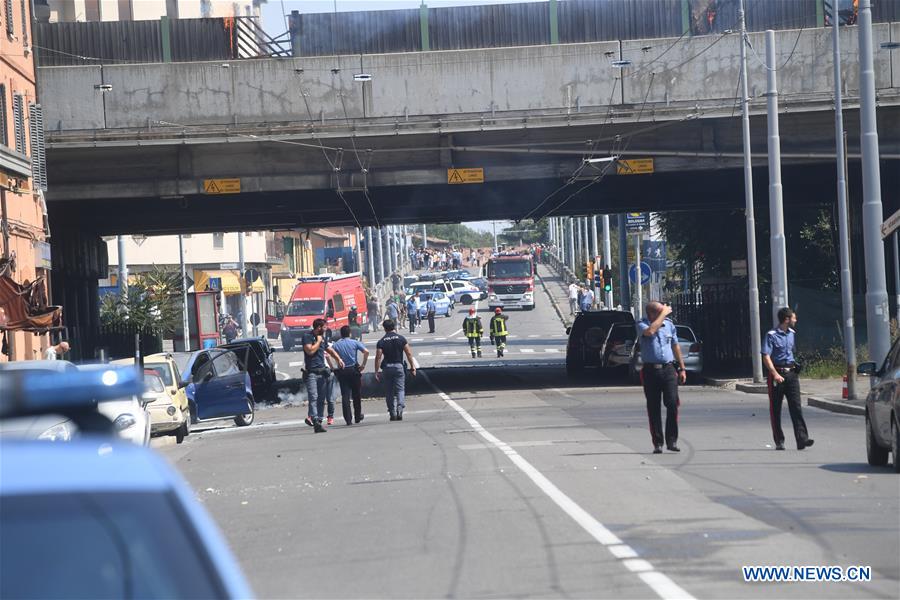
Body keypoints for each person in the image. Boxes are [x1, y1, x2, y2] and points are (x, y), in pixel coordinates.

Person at [638, 302, 686, 454]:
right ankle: (658, 442)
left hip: (669, 369)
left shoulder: (669, 325)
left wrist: (682, 368)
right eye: (660, 312)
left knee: (672, 403)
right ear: (652, 314)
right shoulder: (641, 324)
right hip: (650, 371)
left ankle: (672, 440)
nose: (664, 314)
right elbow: (651, 332)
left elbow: (675, 346)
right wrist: (663, 313)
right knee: (653, 407)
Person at [762, 307, 813, 451]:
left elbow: (790, 352)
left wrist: (795, 366)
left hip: (791, 374)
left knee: (796, 407)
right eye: (794, 318)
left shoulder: (792, 334)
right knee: (775, 409)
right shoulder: (771, 335)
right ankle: (779, 440)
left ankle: (802, 439)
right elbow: (766, 356)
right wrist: (775, 374)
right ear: (786, 320)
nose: (795, 320)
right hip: (777, 374)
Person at [301, 319, 345, 433]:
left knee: (321, 398)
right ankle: (314, 419)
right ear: (319, 327)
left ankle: (319, 421)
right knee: (313, 397)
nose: (326, 329)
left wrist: (338, 359)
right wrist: (318, 341)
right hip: (311, 372)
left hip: (322, 372)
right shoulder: (307, 336)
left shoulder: (322, 338)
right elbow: (310, 351)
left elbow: (329, 350)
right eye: (325, 327)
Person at [374, 319, 416, 420]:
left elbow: (378, 357)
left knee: (389, 391)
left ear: (384, 328)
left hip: (387, 368)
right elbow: (408, 353)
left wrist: (376, 371)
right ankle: (400, 407)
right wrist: (412, 367)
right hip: (398, 366)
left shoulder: (381, 341)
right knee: (400, 389)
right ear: (394, 327)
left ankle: (392, 412)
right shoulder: (401, 339)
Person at [331, 325, 369, 425]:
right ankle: (357, 416)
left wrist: (333, 367)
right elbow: (366, 352)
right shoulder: (354, 342)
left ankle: (348, 419)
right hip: (353, 370)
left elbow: (327, 355)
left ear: (341, 334)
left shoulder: (336, 345)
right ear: (350, 333)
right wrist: (363, 365)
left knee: (345, 395)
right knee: (356, 394)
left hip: (342, 370)